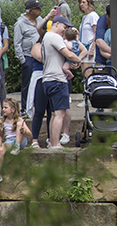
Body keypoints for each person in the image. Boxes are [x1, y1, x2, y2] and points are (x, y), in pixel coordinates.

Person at [33, 16, 81, 149]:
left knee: (54, 114)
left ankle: (53, 143)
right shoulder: (54, 37)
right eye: (64, 28)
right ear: (57, 24)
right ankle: (55, 144)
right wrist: (79, 61)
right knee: (60, 114)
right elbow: (69, 55)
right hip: (57, 80)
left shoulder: (46, 37)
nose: (64, 31)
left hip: (48, 79)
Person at [14, 0, 46, 116]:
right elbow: (17, 44)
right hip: (28, 56)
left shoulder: (40, 20)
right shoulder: (20, 24)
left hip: (40, 57)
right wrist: (23, 61)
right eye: (38, 9)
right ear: (30, 10)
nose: (40, 10)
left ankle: (39, 108)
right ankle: (24, 109)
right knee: (27, 83)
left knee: (39, 83)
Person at [0, 98, 31, 184]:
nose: (3, 109)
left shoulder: (19, 119)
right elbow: (0, 135)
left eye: (5, 107)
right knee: (1, 151)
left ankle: (17, 146)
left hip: (21, 140)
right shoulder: (3, 121)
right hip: (10, 141)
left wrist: (24, 130)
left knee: (19, 125)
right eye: (3, 107)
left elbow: (30, 133)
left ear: (13, 109)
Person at [78, 0, 99, 77]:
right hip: (84, 47)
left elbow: (96, 33)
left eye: (83, 2)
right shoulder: (85, 17)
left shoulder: (93, 15)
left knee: (88, 73)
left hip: (90, 46)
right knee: (84, 72)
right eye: (80, 2)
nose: (81, 4)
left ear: (89, 4)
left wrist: (92, 49)